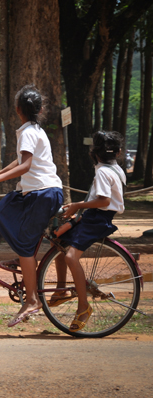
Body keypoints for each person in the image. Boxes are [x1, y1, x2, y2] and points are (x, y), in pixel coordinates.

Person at [0, 84, 63, 327]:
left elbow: (25, 166)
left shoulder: (28, 132)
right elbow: (18, 161)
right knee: (2, 210)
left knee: (26, 247)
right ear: (38, 109)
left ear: (18, 110)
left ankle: (32, 300)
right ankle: (23, 257)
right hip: (39, 192)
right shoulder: (34, 130)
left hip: (42, 193)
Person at [49, 130, 126, 332]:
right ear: (117, 153)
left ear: (94, 152)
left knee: (71, 257)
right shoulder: (116, 169)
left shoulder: (102, 172)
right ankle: (60, 290)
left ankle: (83, 307)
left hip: (97, 220)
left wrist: (76, 206)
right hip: (94, 217)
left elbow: (104, 201)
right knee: (58, 244)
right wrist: (79, 208)